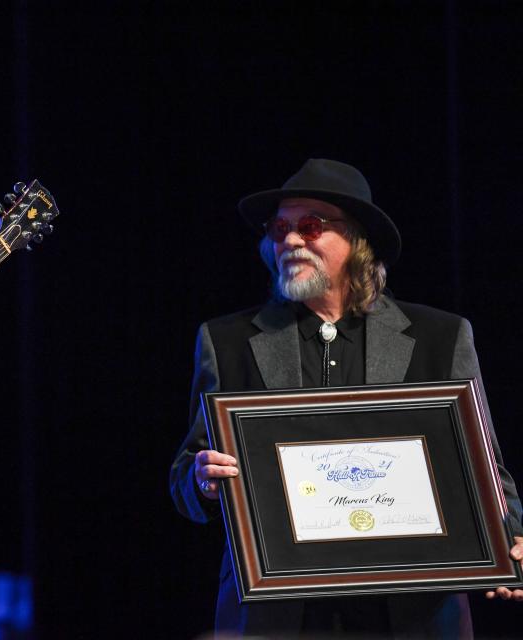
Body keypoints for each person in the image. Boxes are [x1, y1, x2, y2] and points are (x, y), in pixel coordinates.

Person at [169, 158, 523, 637]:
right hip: (280, 614)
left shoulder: (439, 337)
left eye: (310, 226)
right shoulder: (225, 340)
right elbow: (187, 475)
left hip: (411, 611)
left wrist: (511, 536)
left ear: (357, 240)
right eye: (279, 228)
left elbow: (485, 465)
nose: (290, 241)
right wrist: (202, 481)